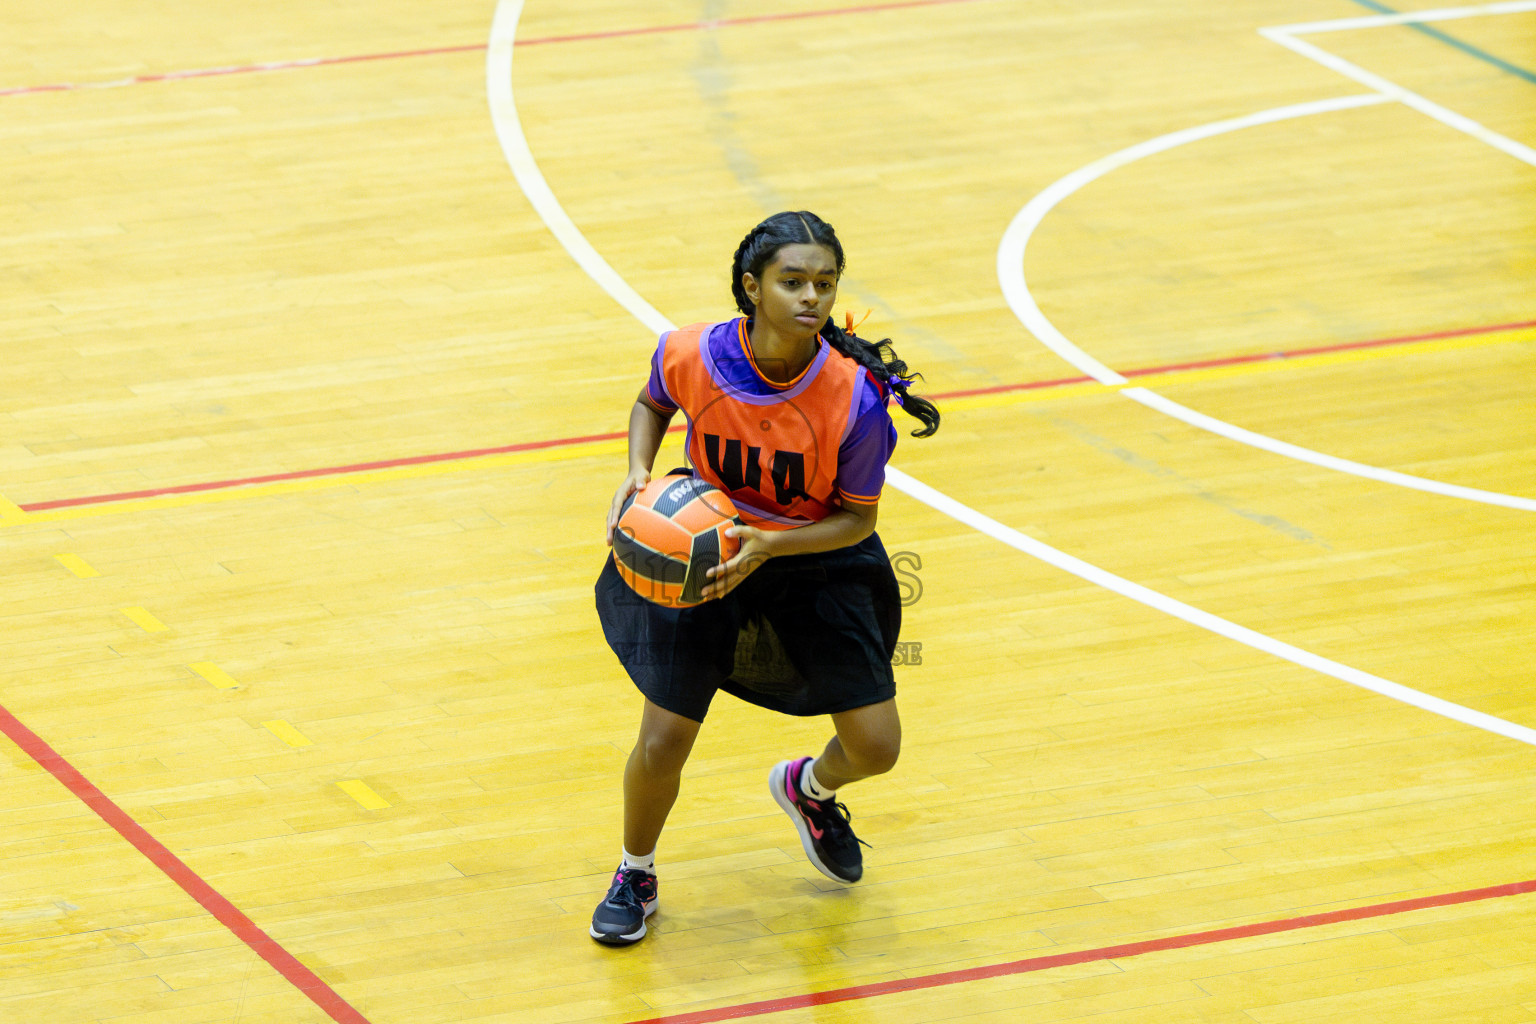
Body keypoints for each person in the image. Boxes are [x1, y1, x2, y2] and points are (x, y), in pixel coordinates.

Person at [590, 211, 940, 946]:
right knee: (662, 738)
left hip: (813, 554)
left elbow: (857, 521)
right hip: (709, 552)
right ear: (752, 288)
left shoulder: (855, 398)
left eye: (824, 283)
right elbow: (652, 402)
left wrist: (773, 544)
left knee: (877, 747)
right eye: (792, 282)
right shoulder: (688, 353)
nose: (810, 297)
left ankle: (809, 791)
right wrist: (637, 470)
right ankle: (635, 872)